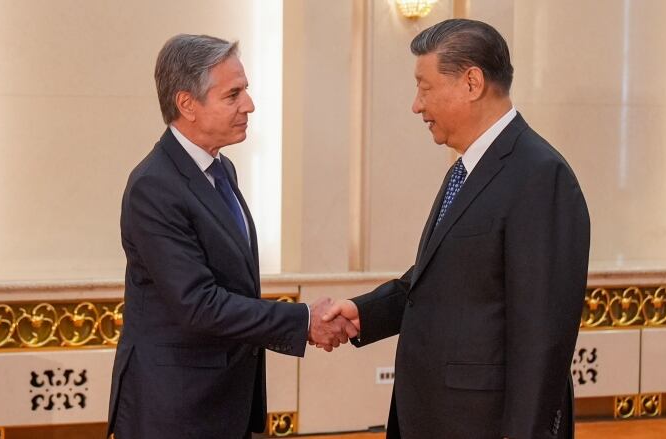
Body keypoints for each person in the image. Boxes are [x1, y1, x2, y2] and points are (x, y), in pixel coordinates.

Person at [323, 19, 591, 439]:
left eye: (424, 88)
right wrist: (366, 313)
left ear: (471, 83)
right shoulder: (464, 171)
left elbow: (543, 339)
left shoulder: (540, 175)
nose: (416, 105)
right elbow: (440, 280)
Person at [107, 34, 356, 439]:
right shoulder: (154, 186)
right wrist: (304, 319)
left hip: (225, 400)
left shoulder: (221, 171)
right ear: (187, 103)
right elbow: (198, 304)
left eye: (246, 91)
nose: (249, 105)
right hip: (174, 409)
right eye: (233, 95)